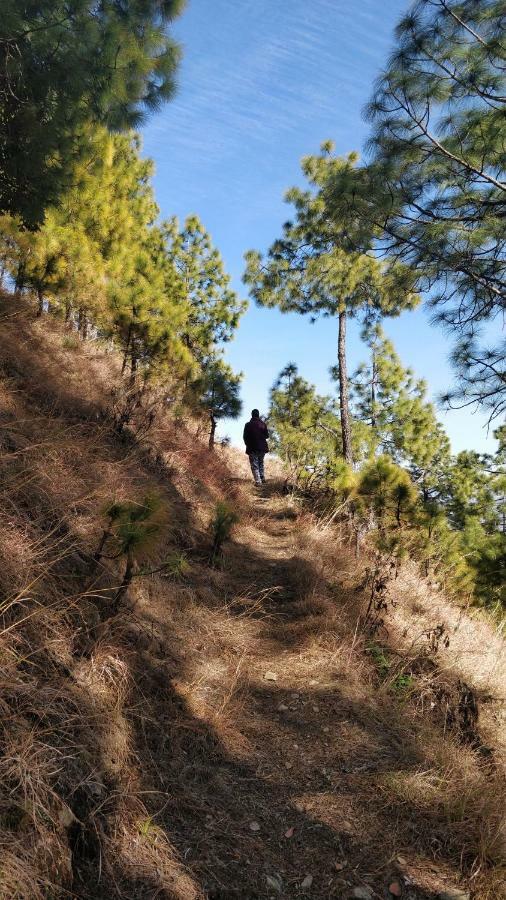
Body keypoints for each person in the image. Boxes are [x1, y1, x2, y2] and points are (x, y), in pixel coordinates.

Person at [243, 409, 269, 485]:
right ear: (258, 415)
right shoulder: (263, 424)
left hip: (252, 447)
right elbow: (267, 436)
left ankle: (258, 481)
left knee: (254, 464)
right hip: (262, 448)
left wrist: (247, 444)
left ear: (252, 415)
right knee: (260, 463)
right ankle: (262, 478)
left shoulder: (248, 425)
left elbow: (245, 437)